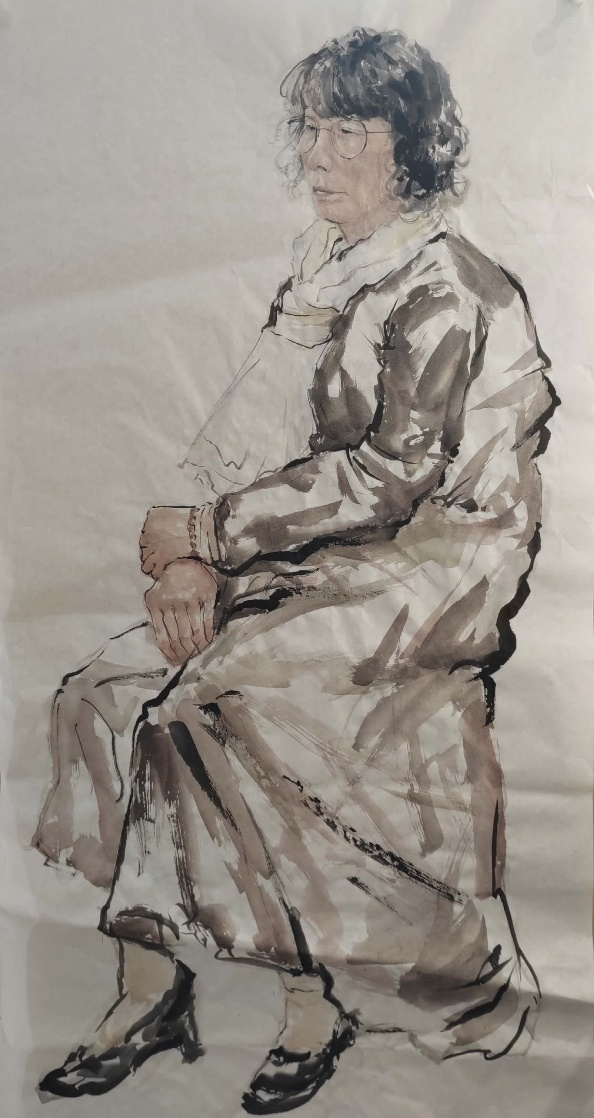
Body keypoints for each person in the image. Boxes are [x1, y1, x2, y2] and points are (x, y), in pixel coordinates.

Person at [34, 26, 557, 1115]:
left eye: (348, 130)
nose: (318, 154)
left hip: (431, 571)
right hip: (325, 552)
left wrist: (211, 533)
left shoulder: (445, 285)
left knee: (206, 703)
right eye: (311, 128)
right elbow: (256, 428)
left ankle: (309, 1004)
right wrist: (186, 548)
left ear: (410, 145)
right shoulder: (327, 269)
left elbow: (392, 476)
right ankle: (149, 990)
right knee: (100, 690)